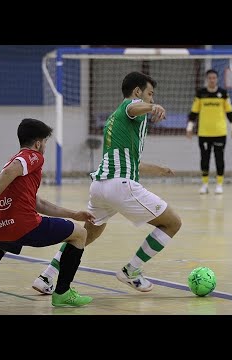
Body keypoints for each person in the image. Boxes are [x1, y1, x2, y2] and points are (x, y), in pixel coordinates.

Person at [32, 71, 182, 294]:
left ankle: (47, 276)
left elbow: (132, 162)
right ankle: (132, 269)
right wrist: (153, 107)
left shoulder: (113, 119)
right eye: (149, 94)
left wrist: (159, 169)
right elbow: (133, 107)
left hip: (100, 186)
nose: (151, 98)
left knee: (85, 234)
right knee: (172, 223)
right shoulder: (130, 108)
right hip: (120, 187)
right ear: (137, 92)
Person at [0, 118, 95, 308]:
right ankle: (62, 292)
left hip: (2, 226)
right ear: (38, 143)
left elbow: (37, 202)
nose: (45, 146)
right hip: (25, 226)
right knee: (80, 234)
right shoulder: (33, 156)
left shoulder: (14, 160)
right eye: (45, 142)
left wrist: (73, 214)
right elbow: (7, 174)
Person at [186, 69, 232, 195]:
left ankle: (219, 185)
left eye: (214, 78)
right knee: (205, 159)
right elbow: (193, 113)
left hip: (220, 133)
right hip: (204, 133)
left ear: (217, 79)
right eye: (210, 78)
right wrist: (189, 128)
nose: (212, 80)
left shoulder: (223, 94)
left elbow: (229, 112)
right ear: (206, 79)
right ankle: (205, 184)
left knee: (219, 159)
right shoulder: (200, 93)